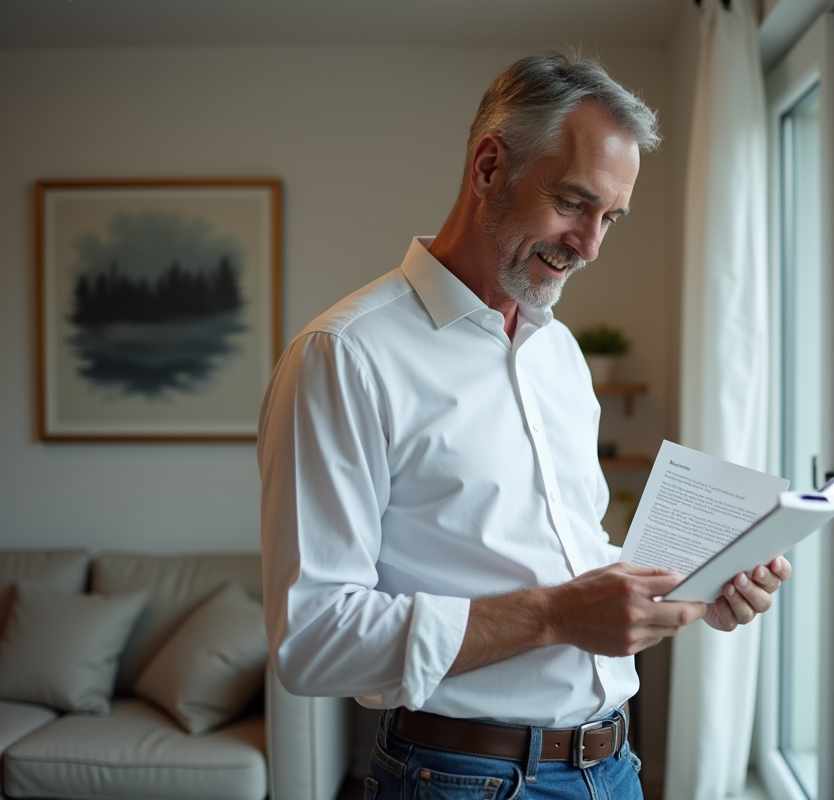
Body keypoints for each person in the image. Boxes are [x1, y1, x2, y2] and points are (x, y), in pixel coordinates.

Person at [257, 51, 791, 799]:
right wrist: (555, 616)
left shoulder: (560, 354)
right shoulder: (344, 356)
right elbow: (313, 642)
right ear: (487, 168)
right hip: (459, 779)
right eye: (574, 203)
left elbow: (561, 552)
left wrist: (695, 583)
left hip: (613, 770)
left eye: (611, 218)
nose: (591, 245)